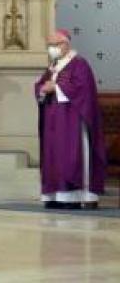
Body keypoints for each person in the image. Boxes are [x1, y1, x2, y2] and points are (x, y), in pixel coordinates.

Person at [35, 28, 107, 210]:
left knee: (70, 157)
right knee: (54, 157)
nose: (51, 48)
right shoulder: (54, 66)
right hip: (53, 120)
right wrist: (42, 89)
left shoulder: (79, 64)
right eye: (49, 45)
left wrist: (56, 88)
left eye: (54, 45)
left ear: (65, 44)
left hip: (72, 121)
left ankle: (74, 196)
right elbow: (41, 85)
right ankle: (54, 195)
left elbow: (83, 89)